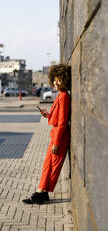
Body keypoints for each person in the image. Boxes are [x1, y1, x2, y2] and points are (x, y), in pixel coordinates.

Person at [23, 64, 71, 204]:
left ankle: (41, 193)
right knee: (47, 165)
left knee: (52, 166)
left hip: (59, 137)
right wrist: (47, 114)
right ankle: (42, 192)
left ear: (65, 80)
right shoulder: (61, 95)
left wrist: (56, 143)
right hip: (56, 135)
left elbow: (62, 122)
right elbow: (58, 117)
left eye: (59, 80)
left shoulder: (63, 97)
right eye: (55, 80)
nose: (56, 83)